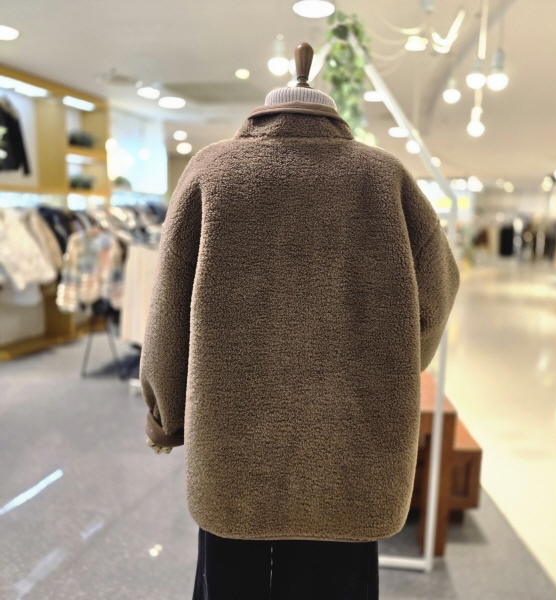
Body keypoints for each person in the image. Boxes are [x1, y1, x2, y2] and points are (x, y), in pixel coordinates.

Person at [141, 47, 459, 599]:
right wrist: (394, 366)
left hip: (231, 443)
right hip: (351, 445)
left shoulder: (212, 172)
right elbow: (439, 291)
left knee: (230, 580)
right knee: (338, 580)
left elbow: (169, 310)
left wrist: (166, 416)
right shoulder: (383, 178)